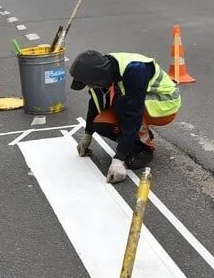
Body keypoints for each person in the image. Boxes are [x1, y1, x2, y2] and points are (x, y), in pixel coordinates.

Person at [69, 49, 182, 183]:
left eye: (90, 83)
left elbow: (133, 113)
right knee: (101, 123)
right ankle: (135, 142)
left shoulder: (136, 70)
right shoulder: (105, 70)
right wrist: (87, 136)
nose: (90, 86)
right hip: (139, 103)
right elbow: (94, 104)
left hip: (165, 103)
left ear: (98, 76)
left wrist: (119, 159)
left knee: (123, 105)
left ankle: (144, 149)